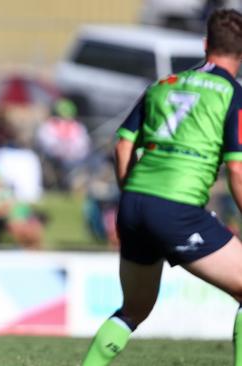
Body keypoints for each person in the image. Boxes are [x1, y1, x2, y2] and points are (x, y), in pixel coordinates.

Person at [82, 9, 242, 365]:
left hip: (135, 204)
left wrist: (132, 196)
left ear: (205, 45)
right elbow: (237, 168)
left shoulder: (163, 84)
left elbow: (123, 144)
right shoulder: (232, 93)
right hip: (177, 208)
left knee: (134, 310)